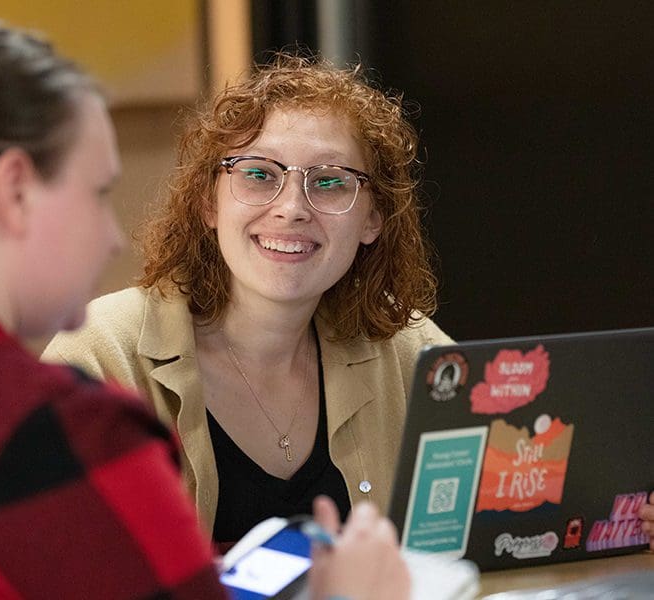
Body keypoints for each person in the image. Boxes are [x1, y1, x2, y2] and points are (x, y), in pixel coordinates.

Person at [0, 22, 410, 600]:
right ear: (15, 190)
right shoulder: (58, 432)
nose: (112, 236)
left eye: (328, 183)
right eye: (98, 193)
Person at [44, 54, 454, 547]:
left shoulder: (412, 354)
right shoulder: (96, 358)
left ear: (372, 219)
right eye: (259, 175)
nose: (291, 209)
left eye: (329, 182)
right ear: (208, 202)